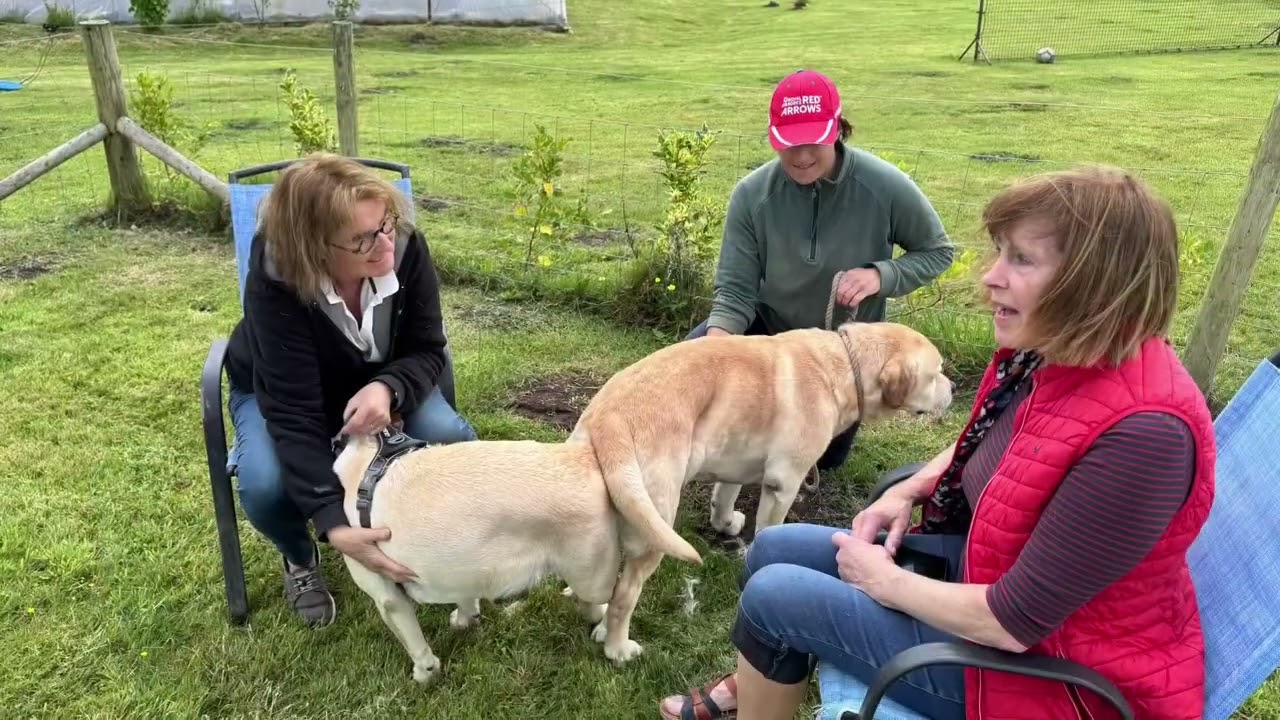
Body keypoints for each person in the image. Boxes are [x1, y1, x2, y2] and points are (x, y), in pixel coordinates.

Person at [659, 165, 1215, 720]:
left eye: (1020, 259)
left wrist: (885, 580)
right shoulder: (1058, 356)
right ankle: (760, 679)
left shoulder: (1144, 437)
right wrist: (913, 488)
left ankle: (764, 674)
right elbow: (1005, 443)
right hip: (982, 581)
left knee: (773, 596)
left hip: (1049, 683)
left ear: (1097, 282)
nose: (989, 277)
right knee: (774, 550)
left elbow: (1012, 622)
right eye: (999, 253)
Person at [223, 153, 478, 628]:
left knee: (452, 438)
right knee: (264, 485)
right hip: (279, 391)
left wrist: (388, 387)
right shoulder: (277, 280)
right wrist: (333, 522)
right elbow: (293, 411)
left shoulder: (402, 246)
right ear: (314, 250)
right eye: (362, 239)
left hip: (376, 386)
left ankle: (435, 539)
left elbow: (427, 348)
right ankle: (300, 556)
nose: (384, 246)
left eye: (386, 223)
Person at [688, 69, 954, 472]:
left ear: (838, 129)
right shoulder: (751, 195)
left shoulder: (884, 186)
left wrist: (880, 276)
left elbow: (937, 251)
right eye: (787, 144)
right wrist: (716, 350)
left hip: (844, 353)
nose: (801, 157)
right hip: (770, 330)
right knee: (689, 371)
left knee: (825, 459)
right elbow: (736, 290)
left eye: (813, 141)